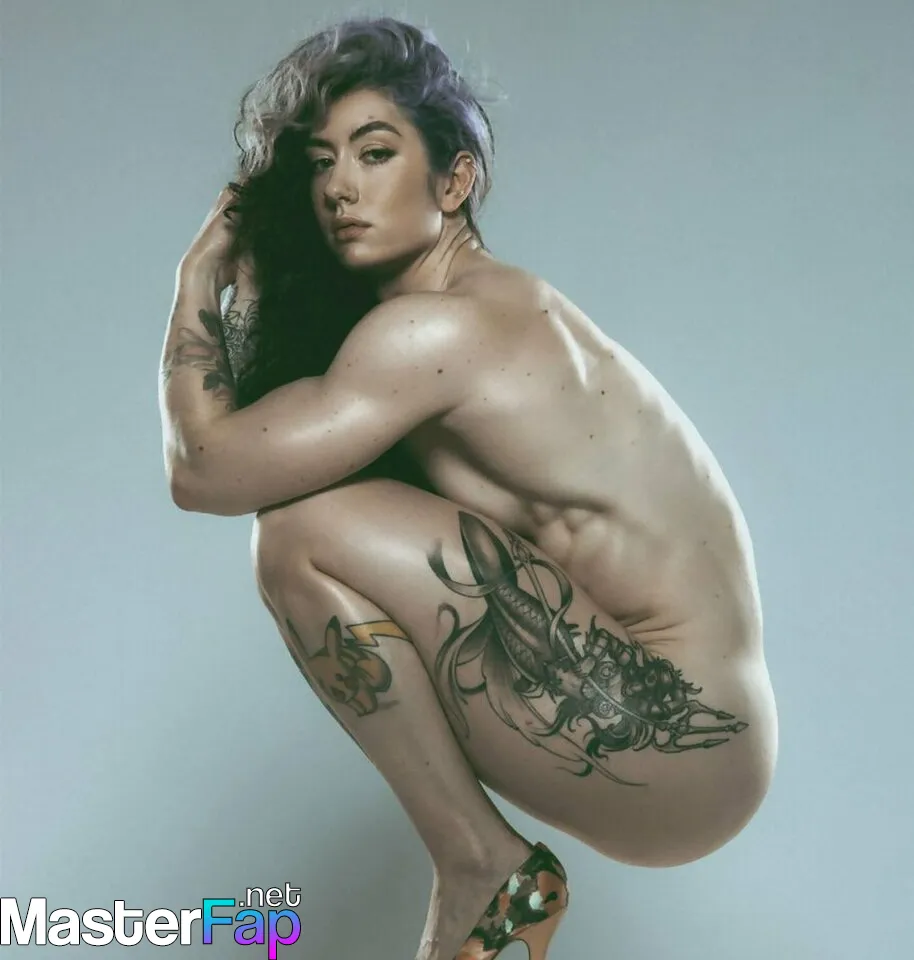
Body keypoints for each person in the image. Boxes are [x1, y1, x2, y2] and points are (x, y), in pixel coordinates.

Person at [158, 16, 778, 960]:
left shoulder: (435, 332)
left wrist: (196, 277)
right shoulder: (483, 310)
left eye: (375, 152)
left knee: (298, 530)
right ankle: (480, 870)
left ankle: (481, 862)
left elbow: (203, 470)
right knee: (311, 517)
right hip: (705, 746)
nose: (339, 187)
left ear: (453, 182)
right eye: (321, 162)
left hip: (682, 746)